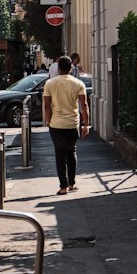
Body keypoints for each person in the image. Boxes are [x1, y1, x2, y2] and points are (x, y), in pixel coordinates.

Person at [43, 54, 90, 196]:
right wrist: (86, 124)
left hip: (56, 123)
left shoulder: (50, 83)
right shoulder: (78, 84)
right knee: (71, 152)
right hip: (72, 123)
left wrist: (49, 121)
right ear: (71, 68)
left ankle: (63, 187)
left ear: (58, 68)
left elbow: (46, 105)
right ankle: (72, 183)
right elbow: (84, 105)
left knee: (59, 154)